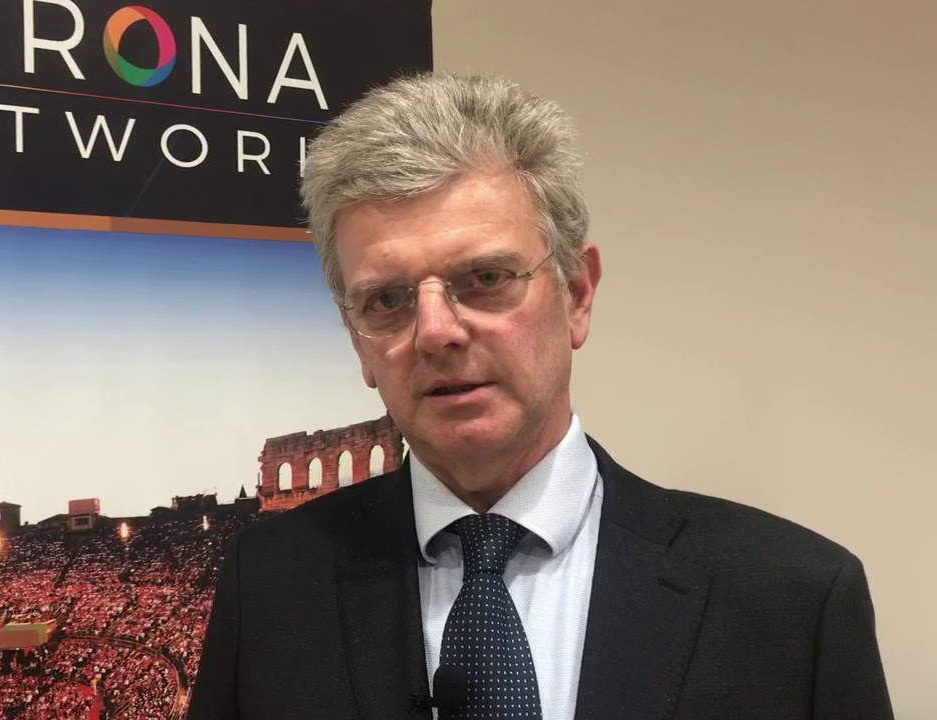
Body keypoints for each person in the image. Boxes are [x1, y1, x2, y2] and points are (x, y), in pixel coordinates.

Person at [185, 72, 893, 720]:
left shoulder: (792, 599)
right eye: (388, 300)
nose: (435, 332)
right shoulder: (270, 584)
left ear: (577, 294)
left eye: (486, 279)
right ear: (357, 340)